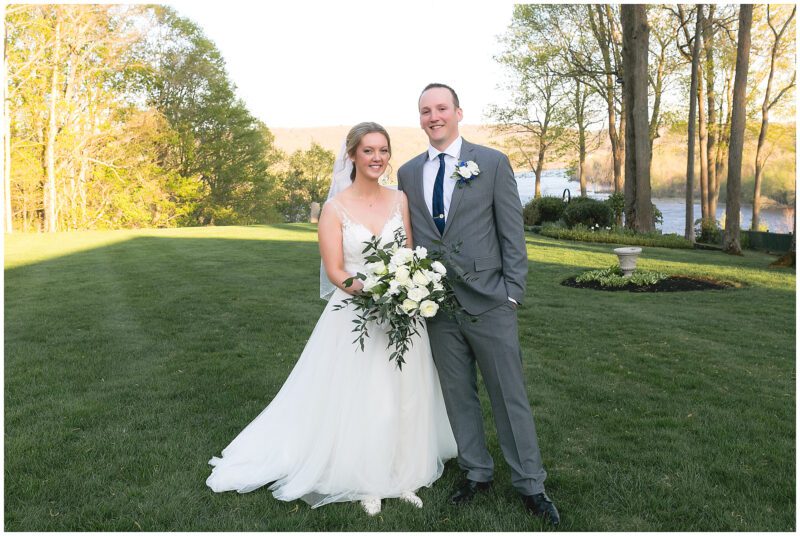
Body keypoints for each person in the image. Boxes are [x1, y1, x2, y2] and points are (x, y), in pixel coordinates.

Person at [206, 122, 457, 516]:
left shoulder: (400, 200)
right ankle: (366, 477)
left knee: (405, 395)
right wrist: (375, 292)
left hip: (402, 317)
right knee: (364, 398)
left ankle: (403, 473)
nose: (377, 158)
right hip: (356, 316)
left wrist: (406, 288)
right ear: (353, 156)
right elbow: (337, 270)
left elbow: (409, 254)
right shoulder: (335, 209)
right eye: (369, 151)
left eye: (383, 150)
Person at [397, 83, 560, 526]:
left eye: (441, 108)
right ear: (421, 118)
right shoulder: (409, 173)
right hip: (437, 305)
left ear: (458, 112)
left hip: (490, 300)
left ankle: (531, 483)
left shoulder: (490, 162)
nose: (434, 117)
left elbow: (512, 234)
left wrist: (512, 293)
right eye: (426, 110)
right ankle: (476, 471)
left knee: (510, 396)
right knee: (457, 394)